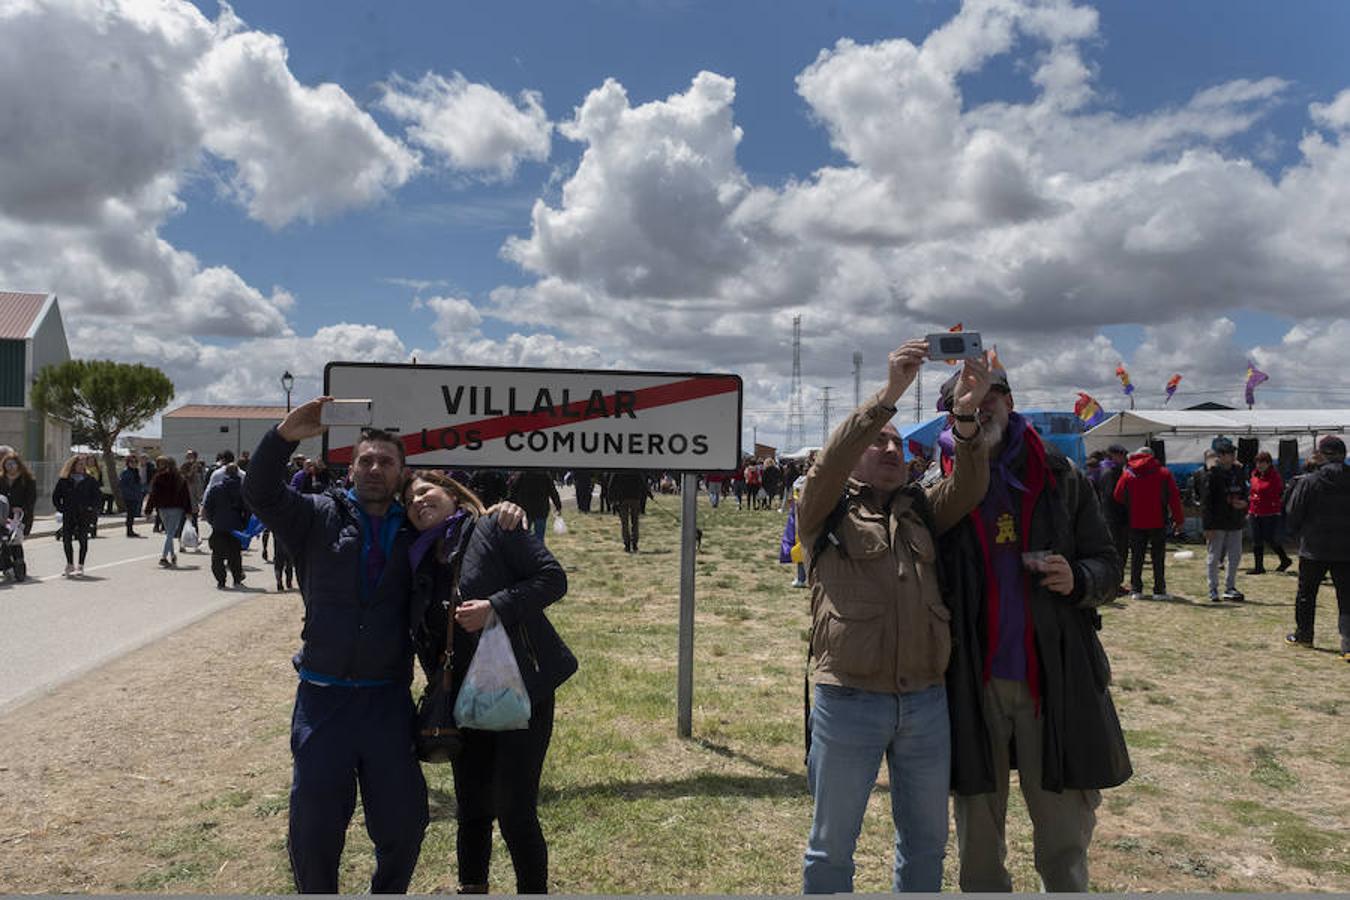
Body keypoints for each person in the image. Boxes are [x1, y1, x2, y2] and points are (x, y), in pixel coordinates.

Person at [798, 340, 991, 894]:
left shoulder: (922, 508)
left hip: (926, 702)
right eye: (877, 441)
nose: (889, 448)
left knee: (926, 845)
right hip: (849, 700)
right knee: (831, 848)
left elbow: (972, 486)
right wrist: (889, 397)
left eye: (896, 443)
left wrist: (967, 418)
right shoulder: (822, 506)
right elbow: (832, 459)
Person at [938, 361, 1131, 893]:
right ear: (953, 414)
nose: (984, 403)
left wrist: (1080, 577)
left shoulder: (1062, 477)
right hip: (971, 679)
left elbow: (1109, 566)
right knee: (977, 828)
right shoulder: (937, 491)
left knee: (1065, 828)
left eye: (994, 392)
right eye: (969, 397)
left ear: (1011, 401)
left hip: (1056, 675)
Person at [242, 400, 429, 893]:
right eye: (366, 460)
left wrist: (503, 513)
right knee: (314, 830)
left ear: (400, 472)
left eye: (385, 462)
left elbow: (469, 530)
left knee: (404, 824)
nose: (374, 468)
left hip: (386, 700)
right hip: (322, 700)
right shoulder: (316, 516)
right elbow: (259, 492)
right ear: (351, 468)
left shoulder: (416, 529)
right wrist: (283, 437)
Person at [405, 470, 574, 893]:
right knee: (473, 810)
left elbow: (553, 579)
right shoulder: (416, 555)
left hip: (521, 689)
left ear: (453, 494)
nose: (418, 502)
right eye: (408, 500)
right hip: (462, 697)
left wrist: (496, 606)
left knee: (516, 810)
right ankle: (472, 889)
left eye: (425, 491)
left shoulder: (494, 528)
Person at [1283, 435, 1350, 662]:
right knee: (1347, 597)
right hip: (1346, 549)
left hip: (1314, 546)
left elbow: (1294, 511)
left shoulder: (1310, 481)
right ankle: (1348, 645)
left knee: (1307, 594)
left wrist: (1295, 534)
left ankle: (1304, 635)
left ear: (1322, 454)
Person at [1113, 446, 1185, 600]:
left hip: (1136, 520)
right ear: (1152, 457)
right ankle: (1159, 590)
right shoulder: (1163, 473)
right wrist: (1178, 520)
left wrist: (1131, 504)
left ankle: (1136, 589)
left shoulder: (1128, 473)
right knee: (1157, 557)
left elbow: (1117, 495)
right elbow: (1174, 498)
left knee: (1137, 556)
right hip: (1158, 520)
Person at [1202, 437, 1248, 602]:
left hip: (1235, 521)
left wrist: (1244, 504)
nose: (1232, 455)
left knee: (1235, 556)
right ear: (1220, 456)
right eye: (1228, 453)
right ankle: (1213, 588)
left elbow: (1244, 492)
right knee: (1214, 557)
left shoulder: (1239, 471)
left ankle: (1230, 587)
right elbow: (1207, 502)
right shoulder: (1212, 474)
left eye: (1233, 452)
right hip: (1217, 522)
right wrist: (1207, 526)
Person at [52, 455, 102, 576]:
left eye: (82, 464)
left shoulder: (90, 480)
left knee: (82, 538)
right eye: (79, 464)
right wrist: (62, 508)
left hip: (84, 514)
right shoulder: (64, 480)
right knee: (67, 539)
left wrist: (91, 508)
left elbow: (97, 497)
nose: (81, 466)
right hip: (69, 513)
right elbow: (56, 497)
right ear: (72, 465)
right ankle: (69, 564)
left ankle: (80, 565)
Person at [202, 462, 248, 589]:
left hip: (219, 526)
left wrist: (213, 521)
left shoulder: (216, 489)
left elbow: (208, 508)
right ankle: (237, 579)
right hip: (236, 526)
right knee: (235, 555)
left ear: (225, 473)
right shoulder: (243, 490)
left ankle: (221, 581)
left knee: (217, 555)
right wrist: (244, 524)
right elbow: (248, 510)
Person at [1247, 451, 1292, 574]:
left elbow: (1275, 493)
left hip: (1269, 512)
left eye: (1263, 462)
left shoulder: (1275, 476)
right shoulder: (1254, 475)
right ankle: (1259, 567)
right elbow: (1252, 490)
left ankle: (1285, 559)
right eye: (1258, 462)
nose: (1260, 465)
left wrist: (1259, 496)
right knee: (1256, 539)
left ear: (1269, 463)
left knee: (1269, 538)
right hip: (1254, 511)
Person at [146, 456, 192, 567]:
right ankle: (163, 557)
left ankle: (172, 555)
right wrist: (188, 511)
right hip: (176, 509)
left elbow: (153, 495)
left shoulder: (158, 478)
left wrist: (148, 510)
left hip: (162, 509)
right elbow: (185, 496)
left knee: (169, 533)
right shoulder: (180, 478)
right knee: (170, 533)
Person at [1095, 444, 1130, 594]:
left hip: (1107, 516)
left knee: (1116, 552)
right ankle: (1115, 584)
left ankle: (1115, 583)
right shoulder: (1112, 472)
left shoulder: (1102, 470)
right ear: (1115, 455)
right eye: (1122, 455)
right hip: (1116, 518)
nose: (1124, 458)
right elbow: (1113, 496)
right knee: (1118, 552)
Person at [0, 452, 36, 577]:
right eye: (7, 464)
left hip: (19, 516)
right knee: (3, 541)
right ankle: (7, 565)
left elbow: (31, 499)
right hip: (3, 515)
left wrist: (22, 509)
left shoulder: (27, 480)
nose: (10, 467)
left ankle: (18, 564)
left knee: (15, 541)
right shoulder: (1, 479)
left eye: (12, 464)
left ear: (18, 465)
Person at [508, 470, 562, 544]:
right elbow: (553, 491)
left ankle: (525, 552)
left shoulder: (521, 474)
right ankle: (537, 553)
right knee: (539, 537)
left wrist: (511, 505)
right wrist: (558, 506)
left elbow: (513, 491)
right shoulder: (544, 474)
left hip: (526, 510)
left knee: (524, 536)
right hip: (541, 509)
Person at [607, 470, 651, 554]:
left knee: (625, 522)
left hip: (622, 498)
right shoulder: (635, 469)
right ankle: (634, 543)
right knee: (635, 522)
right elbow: (642, 482)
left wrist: (611, 498)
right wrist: (648, 493)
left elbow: (611, 484)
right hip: (635, 497)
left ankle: (627, 544)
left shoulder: (618, 470)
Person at [119, 454, 146, 537]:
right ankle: (129, 530)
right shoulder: (125, 472)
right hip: (128, 496)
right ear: (128, 463)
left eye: (135, 462)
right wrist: (129, 493)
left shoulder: (136, 471)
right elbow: (122, 485)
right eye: (131, 462)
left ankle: (131, 529)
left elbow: (138, 483)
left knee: (132, 514)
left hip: (136, 496)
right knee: (130, 514)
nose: (134, 463)